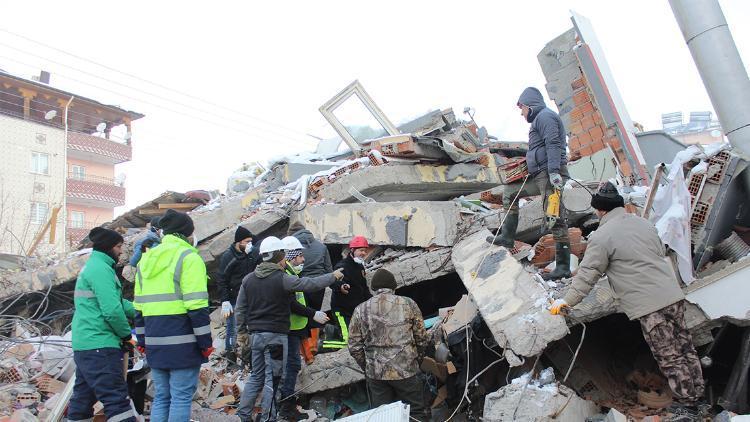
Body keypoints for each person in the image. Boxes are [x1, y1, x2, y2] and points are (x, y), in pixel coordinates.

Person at [549, 182, 705, 417]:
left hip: (650, 306)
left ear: (600, 210)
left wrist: (566, 301)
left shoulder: (601, 237)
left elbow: (588, 275)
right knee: (685, 348)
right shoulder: (644, 224)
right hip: (672, 296)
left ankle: (688, 404)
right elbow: (659, 252)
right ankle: (697, 395)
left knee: (669, 355)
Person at [234, 236, 344, 422]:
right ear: (279, 256)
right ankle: (268, 418)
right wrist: (332, 276)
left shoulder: (248, 280)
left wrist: (242, 333)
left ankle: (243, 416)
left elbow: (240, 310)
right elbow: (311, 284)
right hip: (276, 338)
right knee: (273, 380)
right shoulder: (283, 279)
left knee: (256, 377)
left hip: (256, 337)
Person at [134, 209, 213, 422]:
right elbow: (196, 307)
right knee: (181, 397)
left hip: (154, 341)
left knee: (162, 397)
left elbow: (138, 309)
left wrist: (142, 341)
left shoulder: (145, 261)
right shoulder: (189, 257)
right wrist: (205, 343)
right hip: (183, 342)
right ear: (186, 233)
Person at [488, 86, 571, 280]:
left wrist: (553, 172)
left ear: (530, 106)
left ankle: (563, 267)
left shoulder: (545, 117)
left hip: (550, 175)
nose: (522, 113)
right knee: (509, 192)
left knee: (555, 217)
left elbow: (553, 143)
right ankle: (507, 237)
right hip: (539, 175)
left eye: (522, 108)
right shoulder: (540, 119)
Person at [69, 227, 137, 422]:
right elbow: (112, 310)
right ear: (108, 247)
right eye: (118, 246)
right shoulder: (101, 270)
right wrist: (126, 335)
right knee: (116, 400)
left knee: (82, 399)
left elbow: (116, 302)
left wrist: (140, 309)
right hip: (100, 344)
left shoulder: (94, 266)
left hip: (86, 344)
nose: (121, 251)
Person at [348, 269, 429, 421]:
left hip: (376, 373)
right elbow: (422, 338)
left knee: (384, 416)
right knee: (415, 413)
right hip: (406, 370)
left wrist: (368, 366)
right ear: (393, 287)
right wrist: (416, 360)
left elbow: (354, 346)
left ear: (373, 288)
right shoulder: (408, 303)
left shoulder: (360, 309)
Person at [278, 236, 330, 420]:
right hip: (290, 328)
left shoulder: (292, 273)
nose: (303, 260)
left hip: (295, 326)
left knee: (291, 365)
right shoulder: (288, 276)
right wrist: (312, 313)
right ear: (291, 256)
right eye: (300, 256)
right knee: (291, 366)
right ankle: (286, 408)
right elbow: (293, 303)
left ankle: (286, 405)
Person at [217, 226, 258, 364]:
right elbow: (222, 279)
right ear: (238, 242)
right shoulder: (228, 256)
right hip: (234, 299)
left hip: (250, 298)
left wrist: (250, 253)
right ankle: (231, 358)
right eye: (247, 241)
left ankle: (248, 359)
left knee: (250, 328)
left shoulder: (250, 254)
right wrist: (225, 300)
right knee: (232, 329)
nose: (249, 244)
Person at [323, 236, 372, 350]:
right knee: (347, 342)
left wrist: (372, 300)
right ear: (352, 250)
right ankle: (323, 344)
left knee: (358, 340)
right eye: (361, 250)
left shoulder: (360, 266)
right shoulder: (343, 266)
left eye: (365, 250)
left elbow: (363, 288)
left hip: (356, 310)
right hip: (342, 311)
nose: (363, 253)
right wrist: (341, 286)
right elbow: (333, 282)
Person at [288, 221, 333, 312]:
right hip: (319, 285)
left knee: (302, 313)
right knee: (316, 314)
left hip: (300, 285)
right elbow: (329, 270)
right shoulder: (321, 246)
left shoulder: (291, 247)